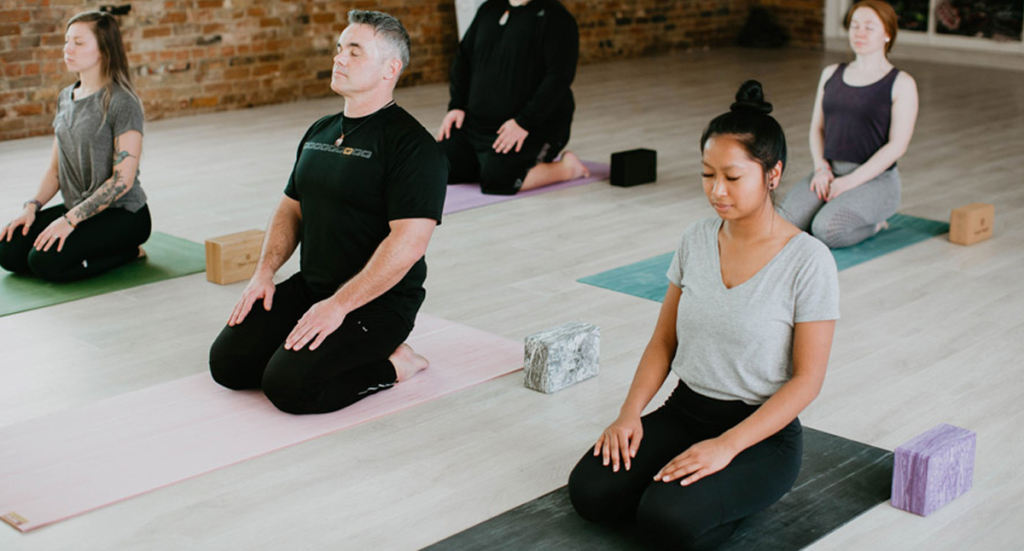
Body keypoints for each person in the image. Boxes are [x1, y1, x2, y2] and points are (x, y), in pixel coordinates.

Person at [567, 81, 840, 551]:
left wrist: (728, 446)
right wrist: (629, 414)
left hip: (760, 437)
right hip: (684, 410)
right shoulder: (697, 238)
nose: (717, 190)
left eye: (732, 178)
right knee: (591, 492)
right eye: (707, 174)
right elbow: (663, 342)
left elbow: (807, 381)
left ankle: (730, 497)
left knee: (664, 521)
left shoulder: (809, 261)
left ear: (773, 175)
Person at [208, 10, 448, 415]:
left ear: (391, 68)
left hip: (377, 304)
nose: (339, 58)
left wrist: (338, 305)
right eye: (340, 49)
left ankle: (396, 364)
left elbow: (408, 245)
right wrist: (263, 273)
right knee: (228, 365)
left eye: (354, 51)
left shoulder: (414, 148)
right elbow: (290, 208)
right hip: (313, 288)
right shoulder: (320, 131)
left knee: (288, 387)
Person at [0, 11, 150, 282]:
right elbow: (55, 170)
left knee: (44, 263)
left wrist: (69, 221)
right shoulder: (65, 98)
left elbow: (122, 181)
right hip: (78, 207)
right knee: (8, 251)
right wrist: (31, 208)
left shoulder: (122, 102)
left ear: (104, 50)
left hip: (123, 215)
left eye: (78, 43)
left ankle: (130, 251)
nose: (68, 49)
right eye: (67, 41)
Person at [778, 0, 918, 249]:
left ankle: (876, 224)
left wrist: (850, 182)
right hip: (829, 173)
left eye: (869, 27)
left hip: (875, 182)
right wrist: (821, 168)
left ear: (887, 34)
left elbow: (897, 146)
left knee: (825, 230)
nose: (859, 33)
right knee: (782, 224)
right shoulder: (831, 73)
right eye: (854, 26)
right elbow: (817, 128)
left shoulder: (902, 83)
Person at [437, 0, 589, 195]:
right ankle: (484, 165)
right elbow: (463, 59)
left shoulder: (556, 17)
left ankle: (568, 168)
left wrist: (524, 122)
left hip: (533, 125)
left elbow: (559, 79)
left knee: (498, 179)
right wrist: (456, 106)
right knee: (440, 164)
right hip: (477, 125)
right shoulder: (489, 9)